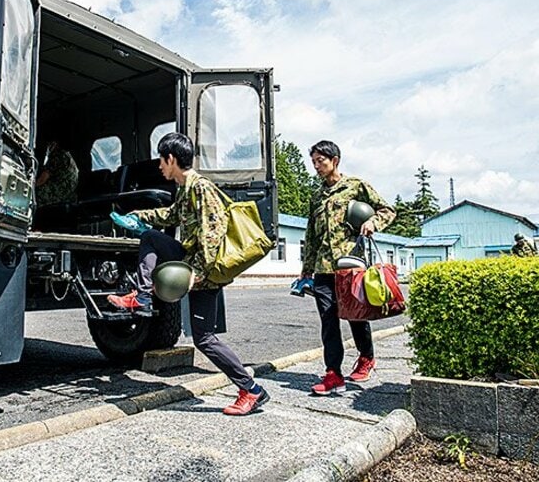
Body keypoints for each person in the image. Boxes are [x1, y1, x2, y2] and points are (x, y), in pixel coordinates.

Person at [107, 133, 269, 416]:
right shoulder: (185, 189)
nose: (159, 166)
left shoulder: (201, 188)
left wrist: (197, 274)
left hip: (204, 270)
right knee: (151, 238)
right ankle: (143, 298)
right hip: (192, 260)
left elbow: (212, 235)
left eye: (161, 159)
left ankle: (251, 390)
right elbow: (171, 216)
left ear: (171, 159)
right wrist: (137, 218)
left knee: (205, 339)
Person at [301, 140, 396, 395]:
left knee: (355, 315)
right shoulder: (317, 195)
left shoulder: (355, 186)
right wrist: (306, 270)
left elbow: (388, 210)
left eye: (321, 161)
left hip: (350, 265)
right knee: (328, 321)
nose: (317, 166)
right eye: (314, 162)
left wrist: (374, 222)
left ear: (335, 161)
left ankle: (366, 357)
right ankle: (333, 373)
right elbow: (311, 234)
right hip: (323, 267)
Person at [35, 140, 79, 207]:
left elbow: (42, 179)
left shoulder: (58, 156)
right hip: (65, 196)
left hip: (54, 192)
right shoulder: (67, 156)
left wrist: (32, 185)